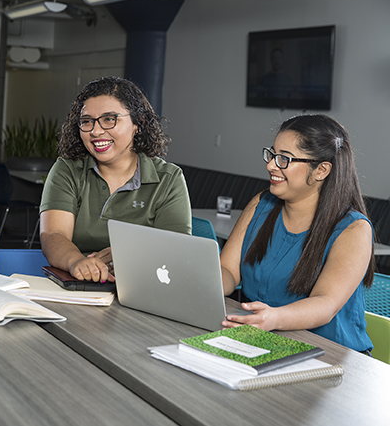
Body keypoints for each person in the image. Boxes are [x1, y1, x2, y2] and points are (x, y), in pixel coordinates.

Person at [221, 114, 375, 353]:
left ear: (321, 170)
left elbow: (325, 304)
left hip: (331, 355)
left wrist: (274, 318)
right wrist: (200, 283)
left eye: (284, 159)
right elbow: (228, 271)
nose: (271, 164)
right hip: (262, 339)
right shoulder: (261, 204)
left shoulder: (354, 229)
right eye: (271, 154)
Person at [39, 77, 192, 283]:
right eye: (86, 121)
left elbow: (178, 249)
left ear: (138, 123)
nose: (96, 131)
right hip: (78, 285)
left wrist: (127, 254)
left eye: (109, 119)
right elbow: (54, 234)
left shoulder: (169, 179)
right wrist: (78, 262)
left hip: (144, 286)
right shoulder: (67, 169)